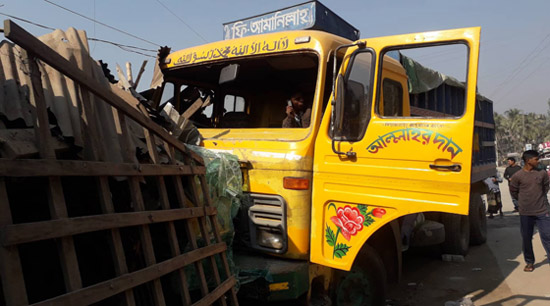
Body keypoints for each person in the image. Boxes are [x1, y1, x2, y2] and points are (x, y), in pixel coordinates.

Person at [509, 150, 550, 272]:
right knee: (527, 238)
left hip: (542, 211)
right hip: (526, 213)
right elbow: (514, 191)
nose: (538, 161)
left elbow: (546, 187)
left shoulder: (542, 173)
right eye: (536, 159)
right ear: (528, 160)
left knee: (547, 236)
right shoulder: (518, 176)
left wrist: (540, 200)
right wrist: (523, 202)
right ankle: (529, 262)